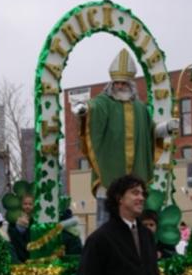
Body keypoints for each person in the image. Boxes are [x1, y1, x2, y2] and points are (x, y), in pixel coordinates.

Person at [71, 48, 179, 227]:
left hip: (133, 178)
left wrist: (167, 128)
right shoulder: (104, 103)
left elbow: (149, 135)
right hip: (108, 177)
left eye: (123, 83)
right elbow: (93, 108)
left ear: (131, 84)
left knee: (133, 227)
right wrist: (83, 110)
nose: (119, 86)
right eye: (116, 83)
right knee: (106, 227)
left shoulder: (140, 108)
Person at [8, 194, 34, 263]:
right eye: (25, 204)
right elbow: (11, 235)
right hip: (18, 253)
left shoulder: (34, 221)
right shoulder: (14, 219)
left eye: (30, 204)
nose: (27, 206)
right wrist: (18, 228)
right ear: (21, 205)